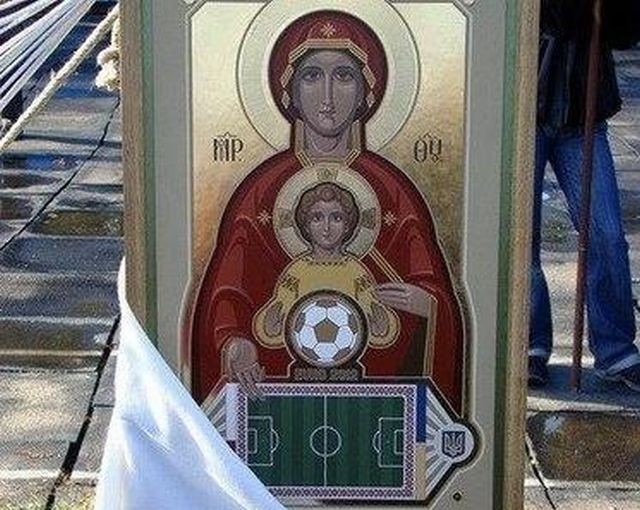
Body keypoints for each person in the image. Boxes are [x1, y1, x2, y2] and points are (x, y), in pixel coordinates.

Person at [191, 11, 466, 413]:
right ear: (289, 92)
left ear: (366, 92)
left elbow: (435, 293)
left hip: (377, 395)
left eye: (343, 76)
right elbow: (228, 292)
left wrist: (428, 306)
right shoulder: (261, 191)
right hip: (274, 391)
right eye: (311, 76)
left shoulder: (392, 191)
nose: (327, 97)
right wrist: (233, 340)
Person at [529, 0, 640, 390]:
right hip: (522, 111)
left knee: (606, 235)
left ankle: (616, 350)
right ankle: (529, 344)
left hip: (583, 116)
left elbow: (624, 33)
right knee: (521, 237)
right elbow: (554, 17)